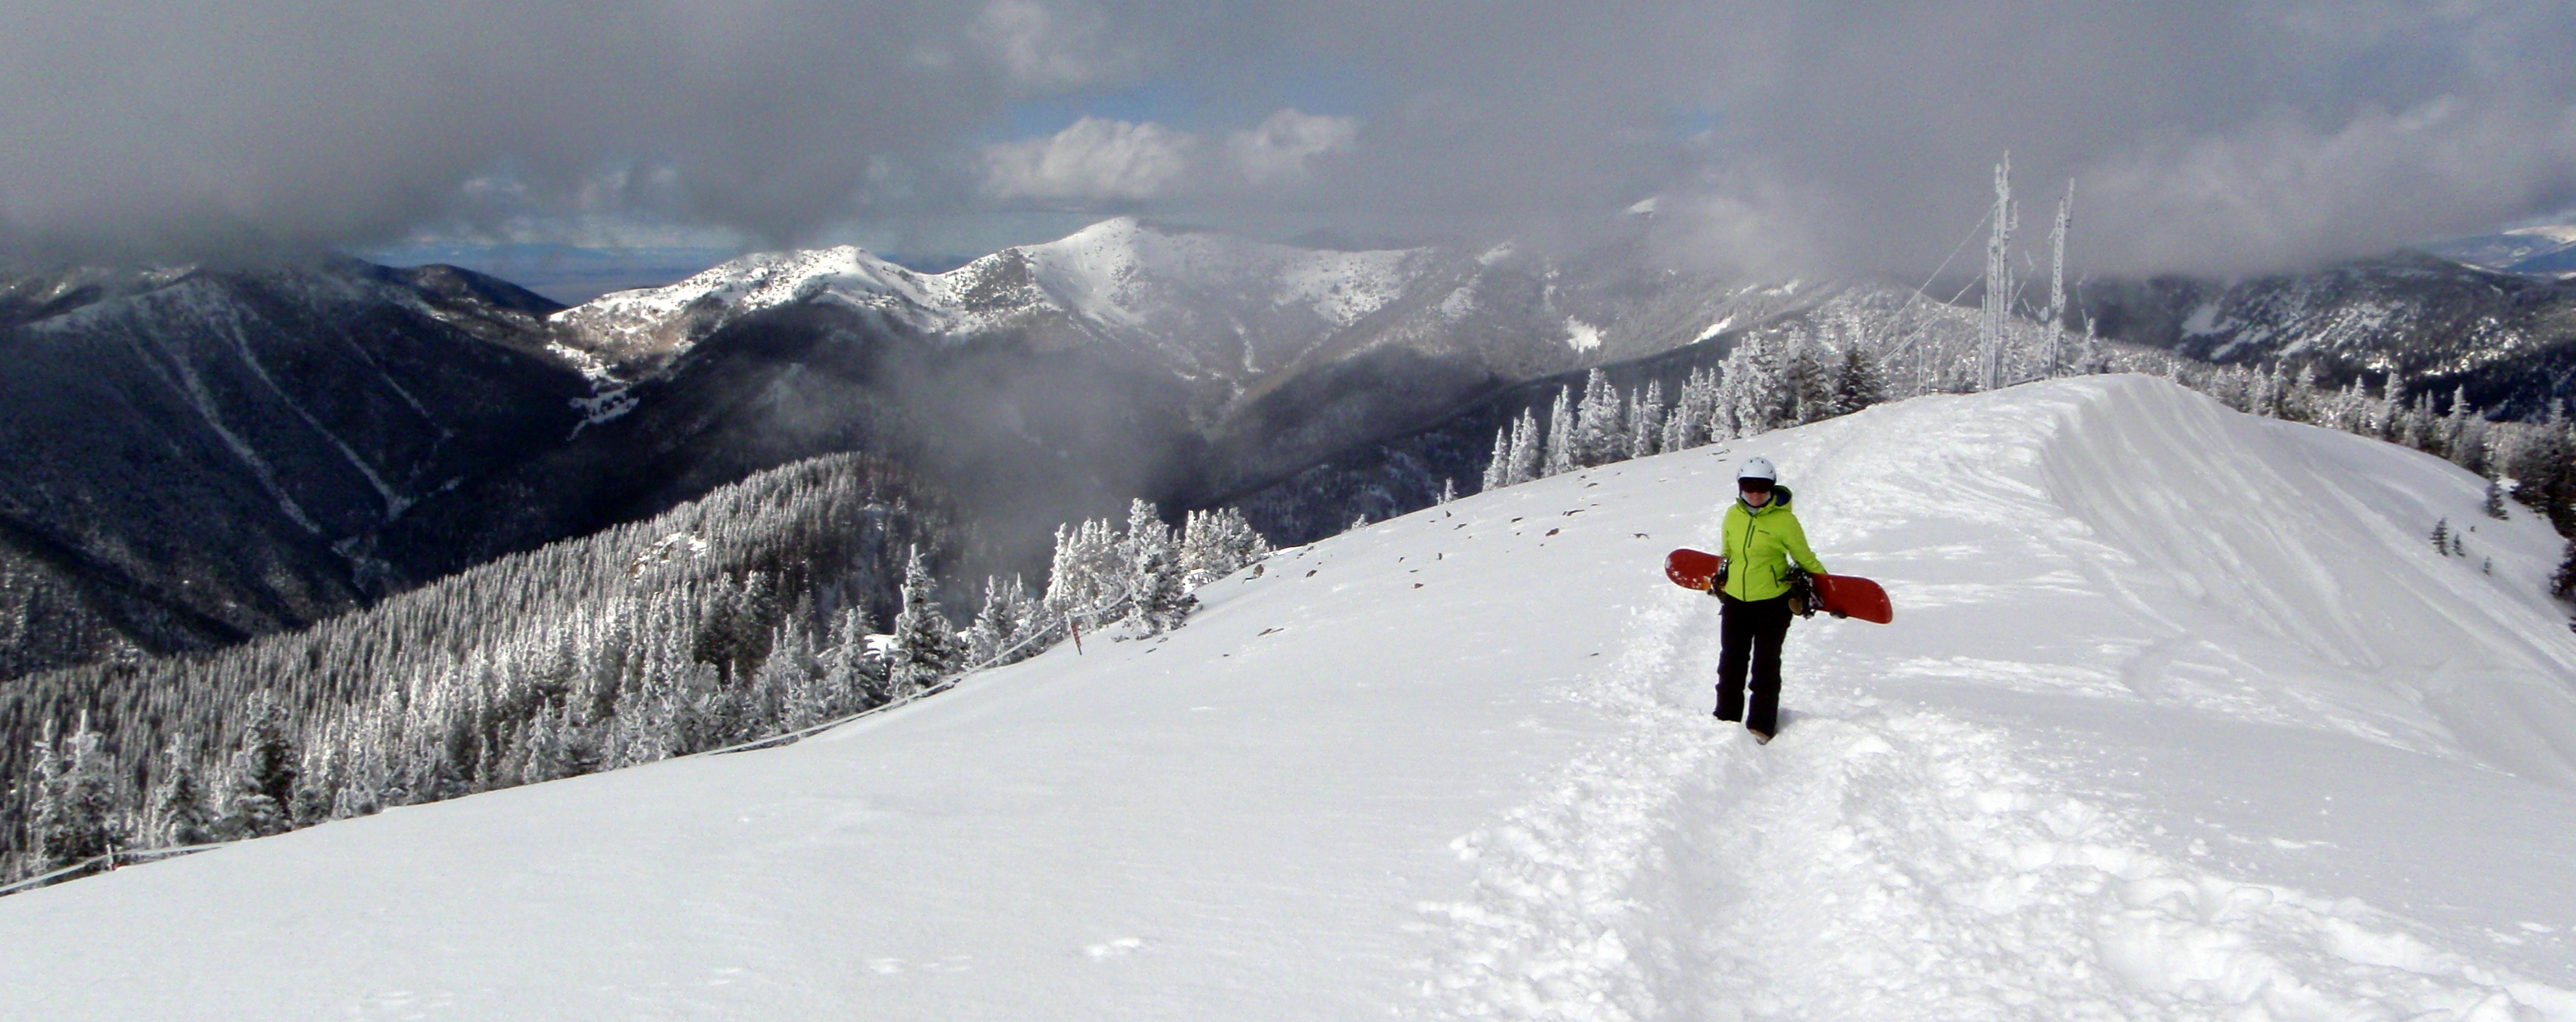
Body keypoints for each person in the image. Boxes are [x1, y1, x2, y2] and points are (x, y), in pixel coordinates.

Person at [1710, 456, 1824, 744]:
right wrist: (1722, 574)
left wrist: (1829, 590)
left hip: (1772, 604)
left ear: (1771, 487)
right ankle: (1726, 720)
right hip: (1736, 602)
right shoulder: (1732, 515)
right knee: (1731, 663)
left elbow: (1805, 558)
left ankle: (1760, 726)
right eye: (1748, 486)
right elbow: (1728, 551)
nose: (1755, 493)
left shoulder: (1785, 522)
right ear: (1740, 487)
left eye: (1762, 487)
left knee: (1765, 666)